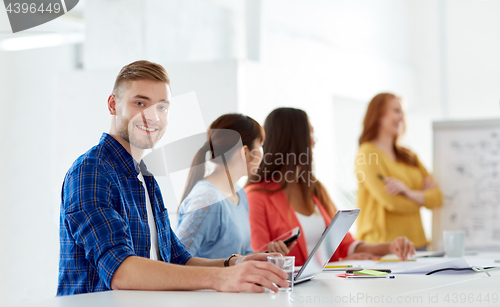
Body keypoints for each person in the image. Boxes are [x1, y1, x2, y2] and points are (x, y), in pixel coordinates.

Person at [57, 60, 288, 296]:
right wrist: (221, 277)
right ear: (113, 104)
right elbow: (121, 271)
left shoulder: (144, 177)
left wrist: (235, 263)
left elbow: (177, 258)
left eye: (162, 107)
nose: (153, 117)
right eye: (140, 103)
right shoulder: (91, 171)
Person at [246, 107, 415, 267]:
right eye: (310, 133)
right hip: (288, 293)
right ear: (293, 139)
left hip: (326, 288)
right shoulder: (255, 197)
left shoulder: (314, 189)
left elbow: (345, 244)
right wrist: (331, 265)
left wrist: (390, 247)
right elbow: (258, 258)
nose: (314, 140)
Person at [177, 114, 295, 258]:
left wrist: (267, 256)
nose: (263, 154)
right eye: (260, 146)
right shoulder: (207, 200)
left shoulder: (239, 194)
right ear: (245, 152)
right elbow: (177, 262)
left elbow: (240, 257)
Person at [356, 93, 443, 250]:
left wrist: (408, 193)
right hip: (383, 247)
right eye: (396, 111)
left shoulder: (409, 155)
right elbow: (391, 202)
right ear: (378, 115)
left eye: (403, 113)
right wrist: (422, 199)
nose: (402, 118)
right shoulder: (367, 153)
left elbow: (437, 198)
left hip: (418, 243)